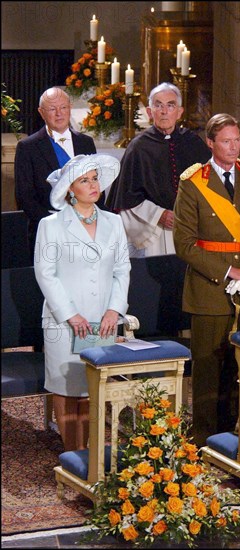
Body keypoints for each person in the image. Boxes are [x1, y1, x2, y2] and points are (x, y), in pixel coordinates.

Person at [173, 113, 240, 447]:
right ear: (211, 143)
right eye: (226, 141)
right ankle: (203, 440)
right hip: (209, 289)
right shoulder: (193, 183)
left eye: (237, 140)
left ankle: (232, 438)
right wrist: (231, 272)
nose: (233, 147)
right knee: (206, 369)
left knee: (237, 367)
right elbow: (184, 245)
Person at [34, 154, 130, 451]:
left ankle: (87, 454)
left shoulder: (114, 223)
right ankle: (71, 456)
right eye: (84, 180)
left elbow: (122, 269)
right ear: (69, 189)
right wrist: (70, 314)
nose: (92, 185)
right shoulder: (50, 225)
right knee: (66, 387)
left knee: (91, 387)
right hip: (64, 322)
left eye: (95, 178)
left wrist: (115, 309)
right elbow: (45, 275)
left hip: (102, 320)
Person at [106, 82, 211, 257]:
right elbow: (125, 198)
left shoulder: (193, 143)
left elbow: (209, 188)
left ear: (179, 112)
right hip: (154, 233)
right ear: (149, 112)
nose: (164, 111)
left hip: (193, 230)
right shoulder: (138, 148)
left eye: (170, 105)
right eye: (158, 105)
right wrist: (159, 215)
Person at [15, 87, 105, 258]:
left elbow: (98, 187)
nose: (59, 114)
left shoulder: (86, 143)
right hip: (49, 234)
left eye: (63, 107)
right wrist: (57, 226)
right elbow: (25, 197)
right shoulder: (28, 147)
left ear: (70, 108)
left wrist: (90, 222)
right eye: (52, 109)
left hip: (87, 231)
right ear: (41, 113)